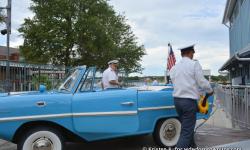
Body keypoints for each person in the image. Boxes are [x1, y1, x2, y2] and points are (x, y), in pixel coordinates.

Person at [169, 45, 213, 148]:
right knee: (186, 132)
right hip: (188, 102)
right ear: (190, 52)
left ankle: (193, 147)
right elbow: (201, 81)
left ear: (181, 53)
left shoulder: (174, 68)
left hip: (177, 101)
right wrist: (210, 90)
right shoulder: (194, 64)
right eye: (193, 52)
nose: (193, 55)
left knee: (186, 128)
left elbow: (175, 82)